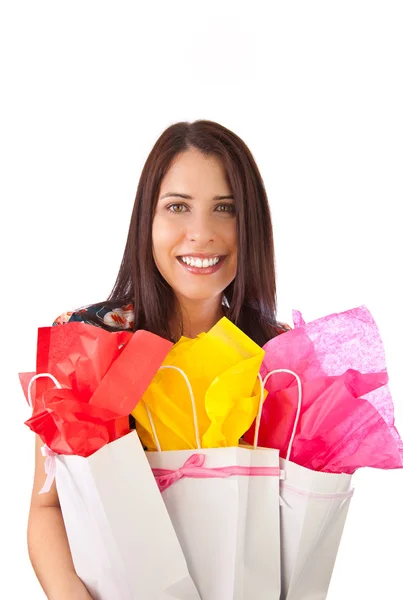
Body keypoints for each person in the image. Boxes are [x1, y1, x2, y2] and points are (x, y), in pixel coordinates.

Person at [27, 119, 290, 599]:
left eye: (225, 209)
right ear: (146, 219)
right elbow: (48, 510)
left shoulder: (279, 357)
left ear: (251, 224)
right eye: (178, 207)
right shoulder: (89, 340)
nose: (201, 233)